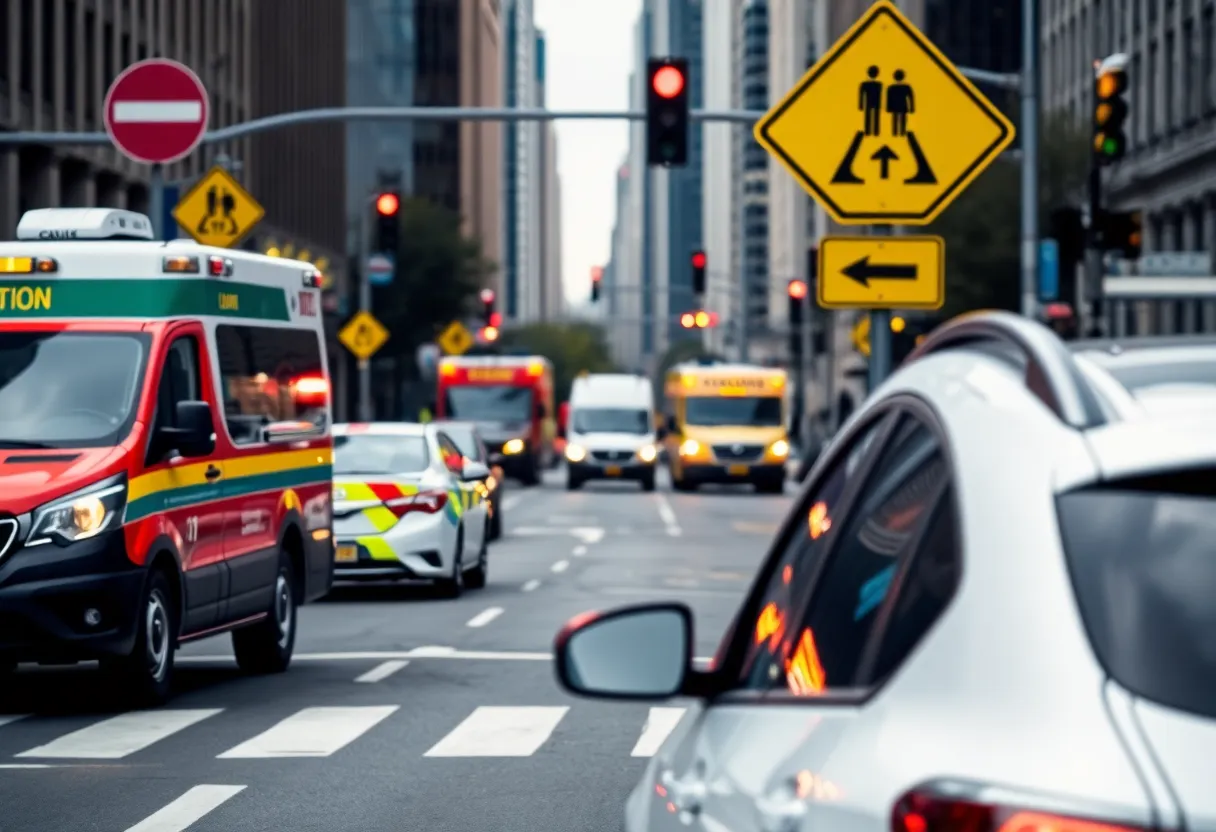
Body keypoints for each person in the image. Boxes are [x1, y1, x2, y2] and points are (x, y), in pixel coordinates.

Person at [859, 66, 883, 136]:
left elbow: (862, 96)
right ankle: (875, 131)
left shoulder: (864, 84)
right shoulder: (879, 84)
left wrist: (861, 105)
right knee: (875, 117)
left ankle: (868, 131)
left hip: (868, 103)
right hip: (876, 103)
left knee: (868, 117)